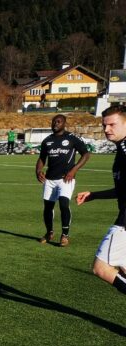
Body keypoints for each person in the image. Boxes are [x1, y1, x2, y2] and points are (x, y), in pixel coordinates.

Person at [76, 104, 126, 295]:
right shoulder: (121, 150)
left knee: (101, 267)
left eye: (112, 125)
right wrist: (95, 195)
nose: (106, 130)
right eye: (104, 125)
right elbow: (122, 190)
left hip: (125, 221)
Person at [36, 115, 91, 246]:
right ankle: (49, 232)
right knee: (48, 208)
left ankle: (64, 235)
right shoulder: (47, 141)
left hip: (65, 179)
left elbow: (86, 154)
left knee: (63, 205)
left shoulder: (72, 138)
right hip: (49, 180)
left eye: (59, 121)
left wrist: (74, 170)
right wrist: (38, 171)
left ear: (64, 123)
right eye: (54, 121)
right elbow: (42, 158)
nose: (55, 123)